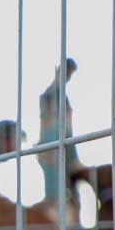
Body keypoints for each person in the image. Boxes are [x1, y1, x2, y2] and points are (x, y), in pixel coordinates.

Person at [38, 58, 80, 212]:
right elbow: (46, 120)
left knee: (70, 183)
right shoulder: (50, 94)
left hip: (64, 140)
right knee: (55, 188)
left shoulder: (58, 94)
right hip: (53, 141)